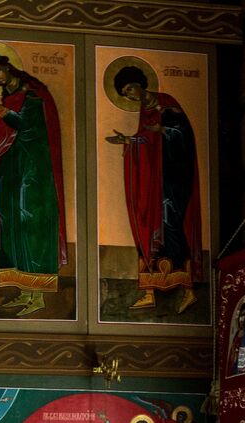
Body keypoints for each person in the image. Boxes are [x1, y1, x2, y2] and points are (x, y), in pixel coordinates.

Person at [0, 52, 66, 317]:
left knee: (30, 224)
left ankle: (37, 295)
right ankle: (24, 290)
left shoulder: (34, 93)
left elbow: (27, 126)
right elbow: (4, 135)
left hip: (33, 170)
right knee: (10, 222)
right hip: (12, 168)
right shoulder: (10, 97)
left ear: (8, 67)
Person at [105, 65, 200, 314]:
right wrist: (128, 140)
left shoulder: (166, 102)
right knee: (151, 230)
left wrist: (165, 131)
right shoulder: (144, 111)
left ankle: (187, 290)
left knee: (171, 227)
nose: (131, 95)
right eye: (126, 93)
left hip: (174, 177)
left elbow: (184, 135)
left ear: (140, 83)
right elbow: (147, 141)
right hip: (156, 182)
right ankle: (150, 291)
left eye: (130, 88)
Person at [227, 299, 245, 376]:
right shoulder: (236, 334)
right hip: (233, 365)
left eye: (244, 315)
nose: (241, 319)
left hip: (241, 367)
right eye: (240, 316)